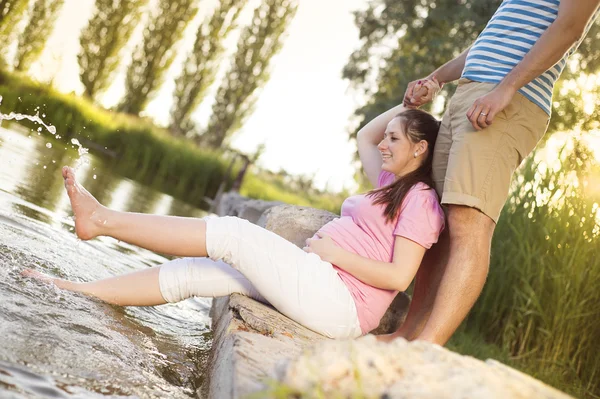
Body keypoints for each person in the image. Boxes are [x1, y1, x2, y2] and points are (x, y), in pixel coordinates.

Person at [24, 82, 445, 339]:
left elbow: (399, 277)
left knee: (230, 234)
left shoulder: (422, 201)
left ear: (420, 149)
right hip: (322, 283)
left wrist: (335, 256)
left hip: (341, 302)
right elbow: (363, 135)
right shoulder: (391, 185)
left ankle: (101, 221)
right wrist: (409, 104)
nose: (384, 144)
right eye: (388, 137)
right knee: (202, 274)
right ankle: (78, 292)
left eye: (395, 138)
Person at [379, 0, 600, 346]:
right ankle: (407, 336)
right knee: (438, 223)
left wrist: (507, 88)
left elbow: (568, 29)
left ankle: (427, 346)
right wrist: (437, 78)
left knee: (468, 219)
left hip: (508, 98)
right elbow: (489, 42)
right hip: (469, 92)